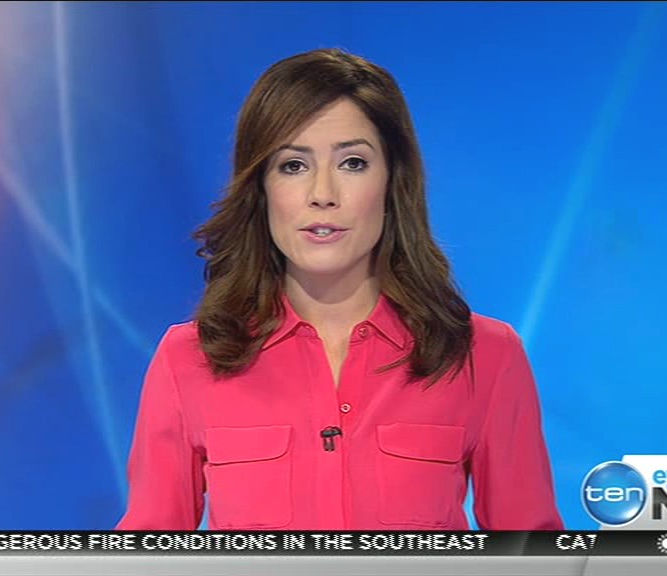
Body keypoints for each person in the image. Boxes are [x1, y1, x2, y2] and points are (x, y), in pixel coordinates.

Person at [116, 48, 563, 530]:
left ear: (393, 181)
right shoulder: (187, 359)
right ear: (260, 188)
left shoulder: (485, 356)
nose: (323, 194)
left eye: (352, 163)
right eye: (293, 165)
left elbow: (533, 553)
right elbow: (146, 553)